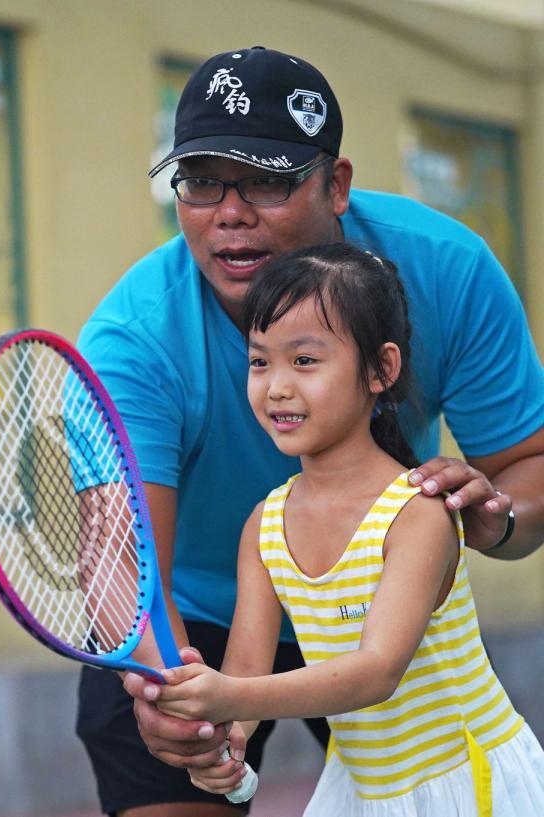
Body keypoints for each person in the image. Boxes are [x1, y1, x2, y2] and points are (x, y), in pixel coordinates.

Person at [75, 46, 544, 817]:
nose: (229, 210)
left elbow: (527, 472)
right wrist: (174, 691)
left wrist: (500, 517)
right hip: (191, 619)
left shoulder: (445, 269)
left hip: (378, 602)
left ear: (338, 185)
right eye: (200, 180)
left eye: (265, 178)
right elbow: (120, 561)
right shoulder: (134, 340)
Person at [146, 242, 544, 816]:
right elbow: (245, 678)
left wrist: (229, 694)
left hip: (468, 787)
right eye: (259, 361)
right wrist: (225, 732)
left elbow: (376, 672)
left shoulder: (416, 511)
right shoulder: (265, 525)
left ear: (382, 368)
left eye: (304, 360)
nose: (276, 386)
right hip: (360, 794)